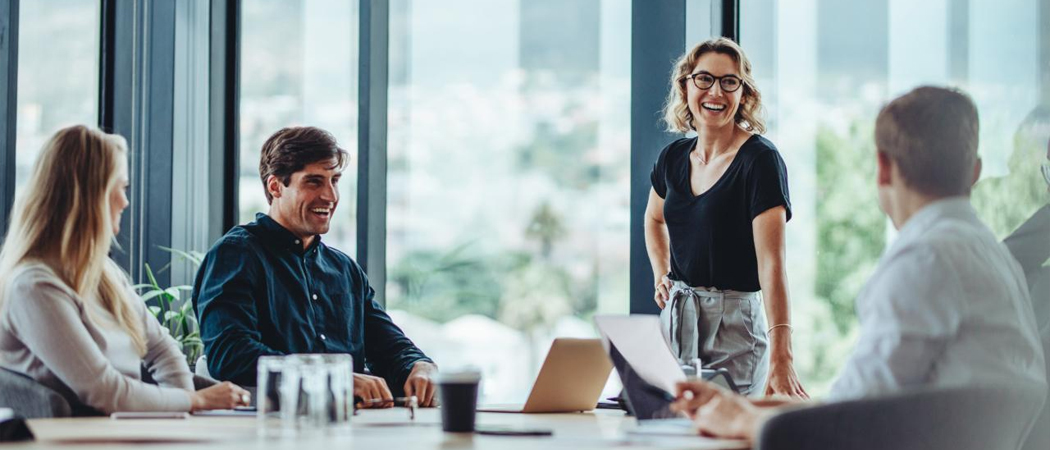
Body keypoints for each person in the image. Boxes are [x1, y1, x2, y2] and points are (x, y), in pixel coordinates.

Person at [670, 87, 1048, 443]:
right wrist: (745, 406)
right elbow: (864, 403)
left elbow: (848, 428)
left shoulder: (924, 261)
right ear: (975, 172)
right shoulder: (994, 258)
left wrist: (739, 420)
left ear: (882, 168)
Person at [0, 125, 250, 414]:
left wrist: (182, 410)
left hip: (122, 430)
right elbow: (103, 391)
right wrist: (195, 400)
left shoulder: (102, 272)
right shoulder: (34, 287)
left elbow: (161, 348)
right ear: (90, 196)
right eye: (120, 187)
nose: (125, 201)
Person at [192, 126, 438, 408]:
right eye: (314, 182)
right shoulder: (236, 255)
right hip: (267, 430)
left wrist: (419, 365)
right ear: (275, 187)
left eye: (334, 181)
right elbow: (231, 355)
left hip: (350, 428)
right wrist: (333, 378)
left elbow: (387, 344)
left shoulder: (344, 269)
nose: (330, 196)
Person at [645, 37, 805, 397]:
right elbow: (654, 220)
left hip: (734, 328)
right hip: (676, 319)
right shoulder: (672, 158)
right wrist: (661, 273)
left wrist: (783, 355)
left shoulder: (760, 161)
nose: (715, 91)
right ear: (686, 86)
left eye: (728, 81)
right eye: (704, 79)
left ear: (743, 94)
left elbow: (772, 264)